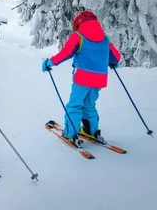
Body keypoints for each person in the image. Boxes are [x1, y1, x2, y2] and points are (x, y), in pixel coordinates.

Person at [42, 11, 122, 146]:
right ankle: (91, 131)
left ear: (78, 24)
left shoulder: (78, 36)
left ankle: (71, 134)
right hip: (100, 80)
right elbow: (116, 58)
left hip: (82, 78)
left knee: (75, 105)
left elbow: (65, 54)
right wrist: (112, 62)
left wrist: (49, 63)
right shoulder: (105, 38)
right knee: (89, 105)